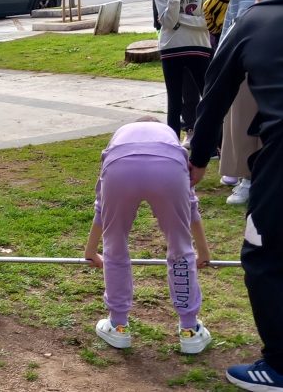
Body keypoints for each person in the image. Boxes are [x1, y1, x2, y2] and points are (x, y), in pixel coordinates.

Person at [188, 0, 283, 392]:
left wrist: (199, 156)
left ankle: (279, 369)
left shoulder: (253, 20)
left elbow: (215, 92)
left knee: (264, 254)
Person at [84, 119, 211, 354]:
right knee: (180, 246)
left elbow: (101, 207)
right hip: (169, 166)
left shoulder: (120, 137)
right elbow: (191, 205)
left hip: (119, 167)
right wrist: (202, 251)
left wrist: (91, 250)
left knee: (115, 245)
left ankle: (118, 326)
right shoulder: (170, 138)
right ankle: (189, 330)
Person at [216, 0, 283, 205]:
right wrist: (221, 61)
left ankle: (272, 178)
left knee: (275, 126)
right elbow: (229, 29)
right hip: (245, 66)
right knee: (241, 121)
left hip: (278, 69)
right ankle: (245, 178)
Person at [153, 0, 215, 138]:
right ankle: (171, 144)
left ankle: (212, 142)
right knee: (174, 100)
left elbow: (208, 22)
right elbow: (169, 23)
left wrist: (180, 19)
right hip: (172, 49)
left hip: (198, 46)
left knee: (207, 96)